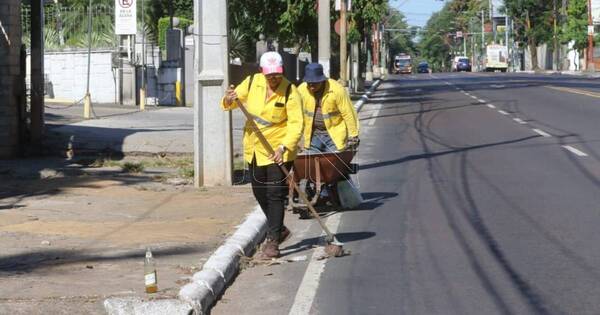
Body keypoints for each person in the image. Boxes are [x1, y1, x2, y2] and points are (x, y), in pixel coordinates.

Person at [221, 51, 303, 259]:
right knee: (259, 192)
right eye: (270, 75)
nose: (274, 79)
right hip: (255, 148)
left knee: (275, 194)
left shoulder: (290, 91)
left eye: (277, 74)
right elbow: (230, 102)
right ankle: (280, 228)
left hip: (279, 150)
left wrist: (283, 148)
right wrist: (229, 98)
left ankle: (273, 240)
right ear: (261, 72)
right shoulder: (251, 83)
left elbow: (296, 124)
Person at [298, 63, 360, 154]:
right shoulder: (301, 90)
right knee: (310, 164)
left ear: (322, 80)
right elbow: (295, 114)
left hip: (334, 135)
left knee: (333, 163)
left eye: (314, 83)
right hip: (313, 136)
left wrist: (353, 135)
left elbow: (348, 112)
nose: (311, 86)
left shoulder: (336, 90)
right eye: (309, 83)